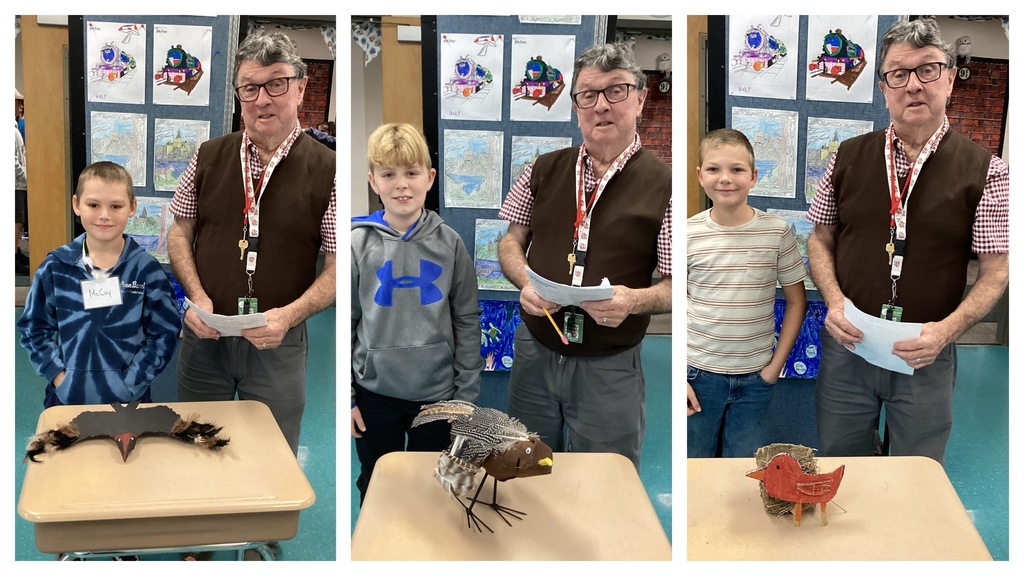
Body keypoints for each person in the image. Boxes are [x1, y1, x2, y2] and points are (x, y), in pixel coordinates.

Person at [807, 18, 1009, 465]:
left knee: (918, 472)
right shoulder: (847, 156)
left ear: (951, 78)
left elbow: (997, 271)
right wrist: (834, 302)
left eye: (928, 69)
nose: (913, 85)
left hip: (926, 355)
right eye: (898, 73)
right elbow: (820, 238)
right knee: (842, 462)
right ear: (884, 87)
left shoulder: (986, 171)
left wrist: (946, 332)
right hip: (851, 346)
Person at [497, 43, 672, 470]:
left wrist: (633, 300)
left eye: (616, 91)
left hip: (609, 364)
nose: (601, 106)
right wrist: (525, 282)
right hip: (536, 351)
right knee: (525, 470)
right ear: (575, 104)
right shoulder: (541, 169)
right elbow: (509, 242)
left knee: (608, 479)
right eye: (587, 95)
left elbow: (675, 284)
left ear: (640, 99)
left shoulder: (664, 185)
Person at [167, 31, 336, 459]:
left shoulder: (329, 170)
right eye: (250, 87)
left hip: (277, 342)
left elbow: (338, 269)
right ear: (240, 94)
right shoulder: (208, 155)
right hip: (206, 336)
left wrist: (290, 316)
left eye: (276, 83)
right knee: (196, 447)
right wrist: (197, 296)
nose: (263, 99)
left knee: (272, 455)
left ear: (300, 87)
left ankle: (261, 529)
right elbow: (178, 232)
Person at [350, 123, 481, 504]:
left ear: (430, 178)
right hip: (375, 394)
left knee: (435, 489)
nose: (401, 184)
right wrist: (349, 399)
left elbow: (467, 320)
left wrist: (466, 399)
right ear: (373, 181)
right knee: (377, 484)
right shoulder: (358, 243)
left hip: (439, 397)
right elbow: (349, 324)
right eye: (389, 174)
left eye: (411, 172)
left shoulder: (450, 243)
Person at [18, 161, 180, 408]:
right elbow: (33, 328)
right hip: (66, 398)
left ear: (133, 207)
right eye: (93, 205)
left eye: (116, 206)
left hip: (130, 400)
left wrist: (130, 384)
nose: (104, 215)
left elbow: (164, 332)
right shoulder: (55, 267)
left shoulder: (146, 270)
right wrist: (59, 377)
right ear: (76, 205)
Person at [686, 128, 807, 457]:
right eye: (714, 169)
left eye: (737, 169)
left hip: (756, 376)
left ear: (754, 177)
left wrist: (774, 367)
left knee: (742, 466)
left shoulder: (776, 232)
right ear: (700, 176)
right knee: (694, 462)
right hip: (697, 374)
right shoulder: (688, 234)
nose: (725, 178)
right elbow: (677, 301)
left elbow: (797, 301)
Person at [15, 89, 29, 276]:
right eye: (18, 102)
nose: (20, 106)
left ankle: (16, 251)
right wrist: (26, 177)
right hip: (16, 184)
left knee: (18, 222)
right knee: (16, 222)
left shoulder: (16, 126)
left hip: (19, 183)